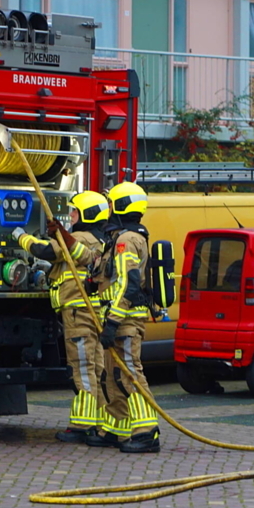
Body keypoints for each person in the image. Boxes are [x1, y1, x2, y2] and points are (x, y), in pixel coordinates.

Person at [12, 191, 109, 444]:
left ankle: (82, 425)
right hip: (94, 312)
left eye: (75, 211)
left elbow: (44, 250)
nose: (71, 216)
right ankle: (98, 420)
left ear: (86, 214)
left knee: (81, 368)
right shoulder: (103, 240)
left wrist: (20, 236)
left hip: (77, 313)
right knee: (96, 367)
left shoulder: (78, 238)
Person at [87, 181, 162, 454]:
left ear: (121, 206)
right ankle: (117, 428)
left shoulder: (127, 240)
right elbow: (111, 279)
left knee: (130, 374)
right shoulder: (119, 237)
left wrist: (113, 322)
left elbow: (128, 285)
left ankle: (147, 432)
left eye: (111, 204)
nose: (108, 210)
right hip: (115, 319)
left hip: (126, 321)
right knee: (113, 375)